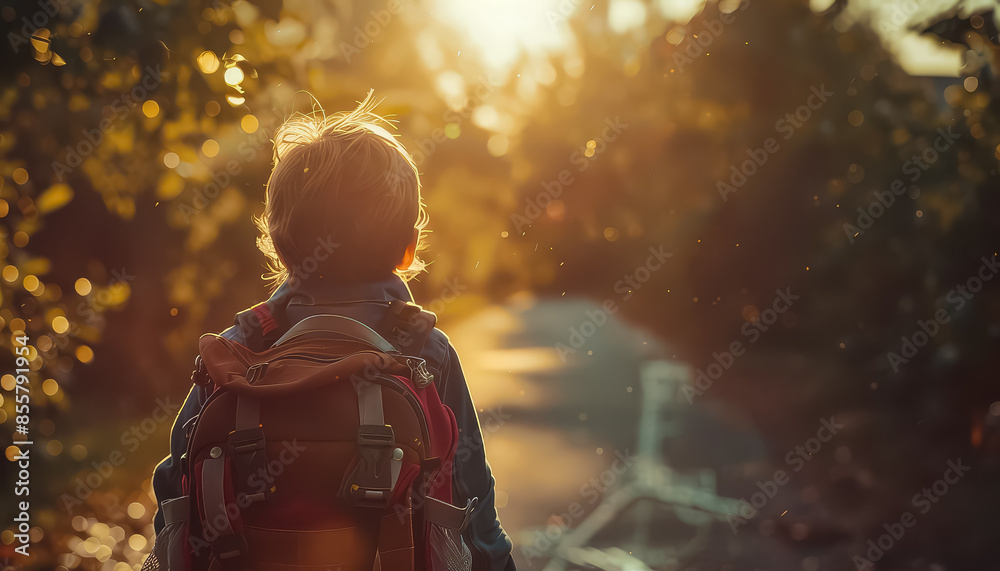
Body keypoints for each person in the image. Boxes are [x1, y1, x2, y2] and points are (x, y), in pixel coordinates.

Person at [151, 93, 516, 571]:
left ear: (280, 249)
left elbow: (175, 485)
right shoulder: (425, 351)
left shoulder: (240, 351)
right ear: (407, 249)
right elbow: (471, 493)